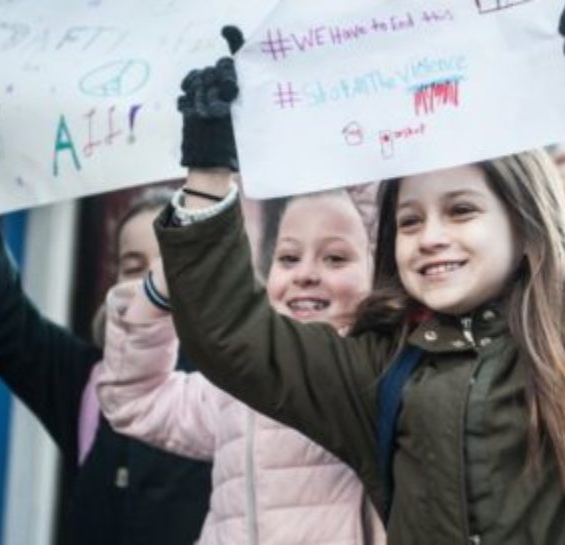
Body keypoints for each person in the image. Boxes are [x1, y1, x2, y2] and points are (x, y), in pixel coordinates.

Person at [140, 1, 565, 541]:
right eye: (410, 222)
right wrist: (209, 171)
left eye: (461, 210)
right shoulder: (379, 371)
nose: (432, 237)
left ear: (525, 224)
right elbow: (230, 337)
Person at [0, 87, 212, 545]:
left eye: (170, 265)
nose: (152, 281)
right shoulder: (88, 383)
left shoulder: (241, 393)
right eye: (132, 265)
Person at [96, 189, 386, 545]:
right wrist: (160, 287)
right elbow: (133, 401)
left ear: (378, 272)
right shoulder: (237, 382)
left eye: (336, 258)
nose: (305, 274)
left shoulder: (382, 373)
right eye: (289, 257)